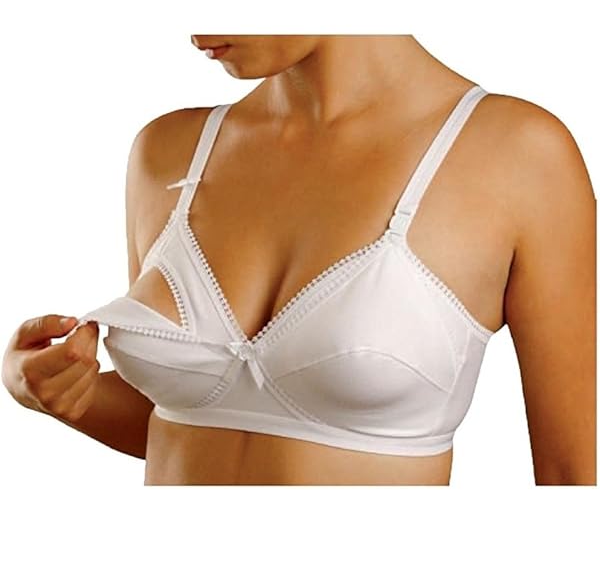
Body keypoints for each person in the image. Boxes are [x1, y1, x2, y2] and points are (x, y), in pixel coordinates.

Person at [2, 35, 596, 485]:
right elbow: (191, 414)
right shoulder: (168, 151)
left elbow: (574, 475)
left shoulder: (518, 156)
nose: (199, 28)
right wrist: (56, 392)